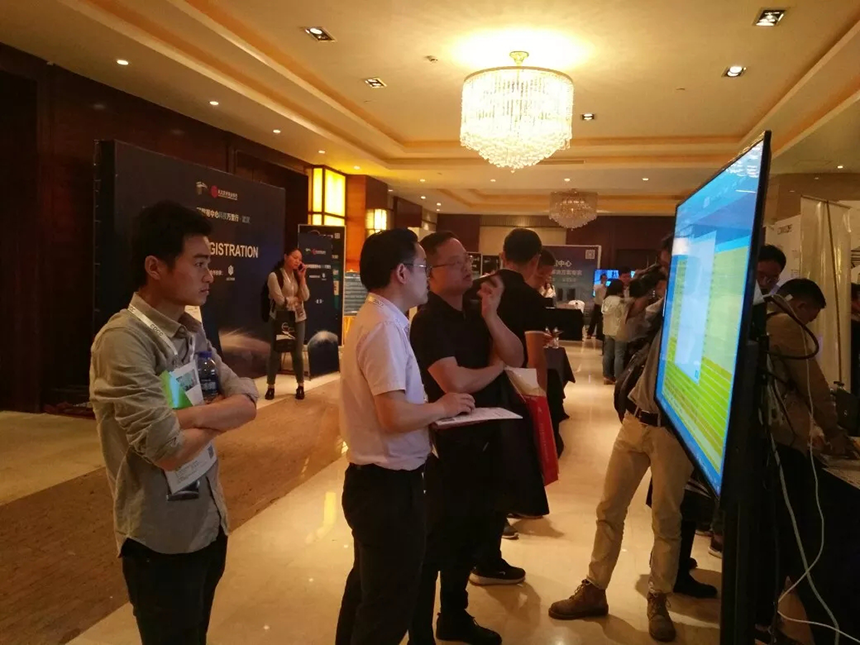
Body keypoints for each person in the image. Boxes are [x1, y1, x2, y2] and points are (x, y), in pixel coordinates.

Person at [89, 201, 258, 645]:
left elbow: (246, 398)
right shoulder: (123, 342)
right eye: (199, 263)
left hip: (208, 522)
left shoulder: (190, 330)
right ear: (155, 267)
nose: (209, 275)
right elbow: (167, 450)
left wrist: (189, 416)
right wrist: (219, 416)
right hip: (160, 541)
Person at [335, 229, 476, 645]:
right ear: (401, 273)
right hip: (389, 490)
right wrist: (443, 407)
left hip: (376, 485)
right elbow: (393, 415)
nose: (426, 275)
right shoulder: (384, 328)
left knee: (367, 594)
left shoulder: (380, 319)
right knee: (386, 611)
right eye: (422, 267)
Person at [549, 235, 693, 643]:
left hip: (673, 431)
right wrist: (643, 294)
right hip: (635, 420)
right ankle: (595, 588)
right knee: (609, 508)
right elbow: (624, 330)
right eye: (663, 265)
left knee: (666, 519)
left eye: (671, 263)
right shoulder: (662, 303)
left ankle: (659, 598)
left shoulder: (703, 310)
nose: (667, 271)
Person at [408, 232, 525, 645]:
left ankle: (454, 616)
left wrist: (492, 317)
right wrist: (494, 369)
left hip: (484, 438)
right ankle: (420, 631)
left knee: (468, 536)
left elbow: (516, 356)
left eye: (467, 260)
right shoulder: (428, 320)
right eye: (455, 262)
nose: (466, 267)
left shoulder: (477, 310)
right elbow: (453, 382)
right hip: (446, 447)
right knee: (436, 542)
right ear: (430, 273)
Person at [753, 277, 856, 645]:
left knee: (762, 529)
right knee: (781, 530)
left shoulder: (760, 316)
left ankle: (758, 613)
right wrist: (834, 431)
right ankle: (762, 617)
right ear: (799, 305)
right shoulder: (786, 325)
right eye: (810, 316)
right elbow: (812, 385)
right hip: (778, 442)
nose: (809, 323)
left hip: (757, 439)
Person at [265, 246, 310, 401]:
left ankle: (300, 385)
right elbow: (280, 301)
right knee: (275, 352)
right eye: (294, 257)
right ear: (285, 257)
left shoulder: (298, 276)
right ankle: (271, 386)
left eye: (300, 259)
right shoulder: (274, 276)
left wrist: (302, 278)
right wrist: (296, 299)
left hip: (298, 318)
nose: (297, 261)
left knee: (297, 353)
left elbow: (306, 296)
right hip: (280, 318)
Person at [600, 280, 631, 385]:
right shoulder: (621, 301)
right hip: (619, 331)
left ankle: (606, 376)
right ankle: (618, 378)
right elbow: (624, 315)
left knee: (607, 354)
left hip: (607, 330)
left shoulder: (606, 300)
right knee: (619, 355)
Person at [588, 273, 608, 339]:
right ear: (601, 279)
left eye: (605, 278)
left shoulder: (607, 288)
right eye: (603, 278)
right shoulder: (597, 286)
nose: (604, 280)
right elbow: (596, 290)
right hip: (597, 305)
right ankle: (589, 333)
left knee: (601, 321)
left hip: (604, 305)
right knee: (593, 320)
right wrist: (602, 284)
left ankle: (599, 335)